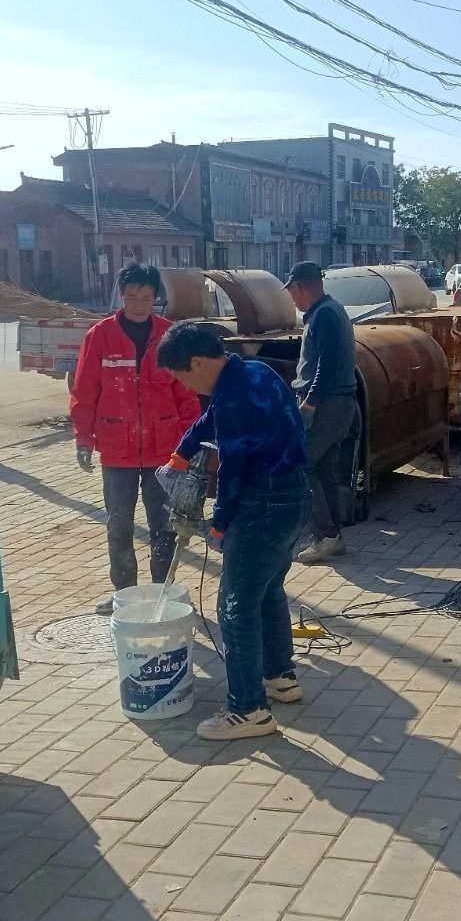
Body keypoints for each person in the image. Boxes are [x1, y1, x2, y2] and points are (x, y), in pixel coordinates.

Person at [156, 323, 310, 740]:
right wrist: (181, 455)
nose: (185, 387)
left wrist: (220, 525)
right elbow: (209, 420)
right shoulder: (252, 372)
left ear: (198, 362)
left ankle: (248, 710)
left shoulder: (234, 397)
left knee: (235, 606)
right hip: (294, 498)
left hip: (262, 506)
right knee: (268, 591)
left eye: (182, 377)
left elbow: (233, 470)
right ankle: (279, 677)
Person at [71, 264, 201, 615]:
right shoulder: (100, 336)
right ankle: (124, 592)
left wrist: (192, 443)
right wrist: (83, 439)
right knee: (119, 524)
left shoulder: (170, 336)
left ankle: (162, 592)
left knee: (164, 526)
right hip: (117, 450)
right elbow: (84, 391)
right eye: (131, 297)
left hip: (164, 451)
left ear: (156, 298)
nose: (139, 304)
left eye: (146, 298)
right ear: (121, 296)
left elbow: (187, 393)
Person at [282, 261, 360, 564]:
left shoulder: (324, 315)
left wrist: (310, 402)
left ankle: (326, 535)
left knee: (301, 465)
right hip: (337, 403)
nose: (292, 298)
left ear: (300, 286)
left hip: (327, 403)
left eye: (292, 291)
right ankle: (332, 535)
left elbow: (326, 364)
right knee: (324, 467)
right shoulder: (331, 310)